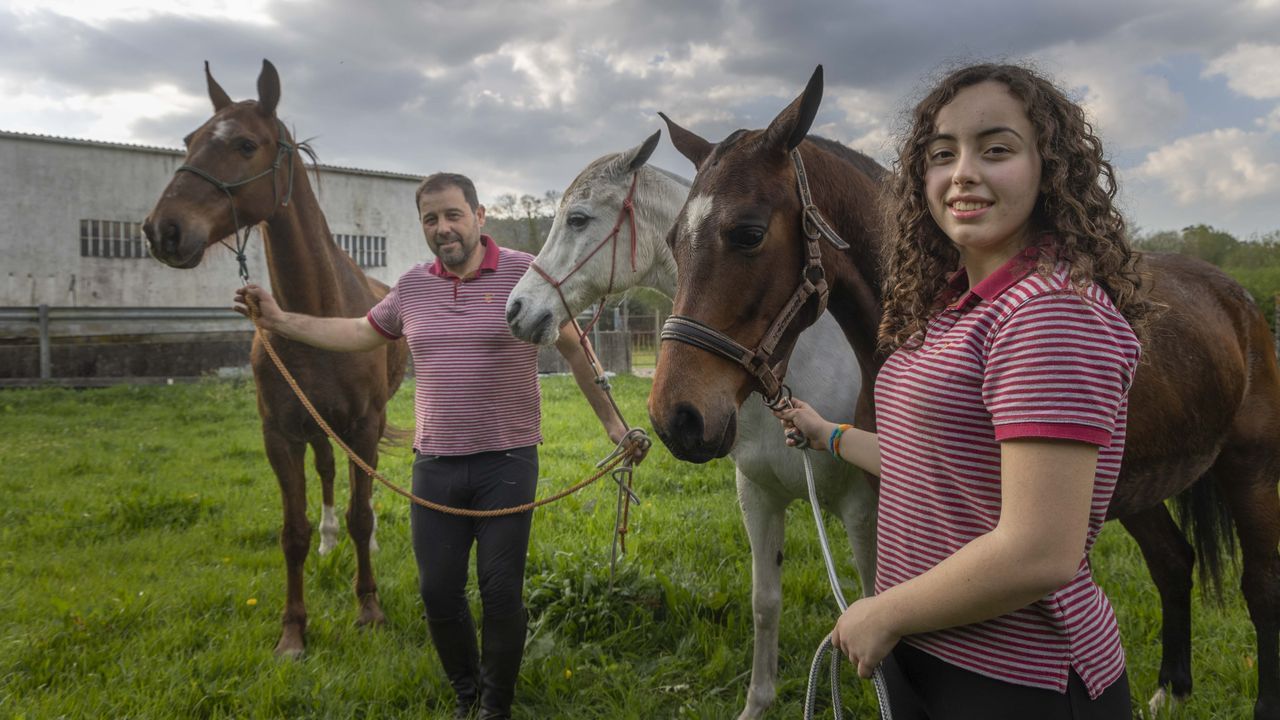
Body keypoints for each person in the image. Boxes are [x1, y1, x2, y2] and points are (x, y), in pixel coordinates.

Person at [776, 63, 1156, 719]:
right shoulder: (958, 308)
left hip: (1016, 681)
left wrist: (886, 611)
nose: (962, 173)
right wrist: (827, 433)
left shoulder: (1048, 312)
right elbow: (932, 464)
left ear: (1050, 168)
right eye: (941, 154)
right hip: (932, 651)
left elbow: (1040, 550)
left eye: (996, 149)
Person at [234, 172, 644, 720]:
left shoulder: (525, 274)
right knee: (438, 593)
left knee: (500, 593)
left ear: (480, 217)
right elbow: (358, 333)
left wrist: (615, 426)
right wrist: (280, 320)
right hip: (436, 463)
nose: (442, 228)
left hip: (507, 458)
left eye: (453, 215)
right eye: (431, 219)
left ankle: (495, 706)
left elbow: (574, 348)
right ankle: (466, 693)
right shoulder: (412, 287)